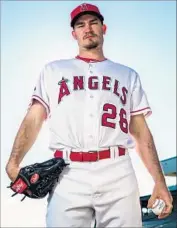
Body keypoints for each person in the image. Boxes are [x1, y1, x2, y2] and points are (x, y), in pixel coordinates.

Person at [6, 2, 173, 228]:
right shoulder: (53, 70)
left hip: (118, 171)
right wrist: (13, 162)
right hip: (68, 172)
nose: (88, 28)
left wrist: (160, 182)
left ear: (103, 28)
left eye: (94, 22)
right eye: (81, 25)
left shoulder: (127, 75)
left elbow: (141, 133)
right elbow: (34, 118)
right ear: (73, 33)